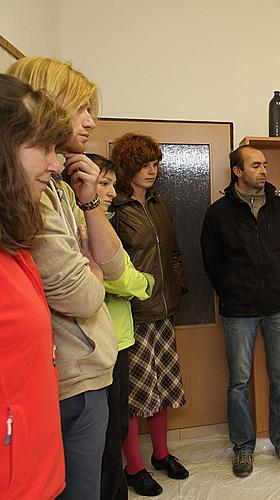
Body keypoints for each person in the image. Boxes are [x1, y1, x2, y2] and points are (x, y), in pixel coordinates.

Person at [7, 57, 126, 500]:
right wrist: (90, 265)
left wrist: (92, 202)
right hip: (67, 381)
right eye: (81, 108)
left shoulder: (61, 187)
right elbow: (84, 295)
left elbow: (113, 267)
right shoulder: (29, 194)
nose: (91, 122)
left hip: (88, 369)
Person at [200, 145, 280, 478]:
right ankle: (243, 448)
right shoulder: (218, 213)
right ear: (237, 171)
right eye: (255, 165)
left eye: (265, 164)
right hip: (239, 308)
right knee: (239, 382)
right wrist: (231, 290)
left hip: (279, 304)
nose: (263, 170)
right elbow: (211, 262)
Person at [0, 72, 71, 499]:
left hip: (38, 474)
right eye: (42, 148)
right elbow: (82, 290)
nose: (56, 163)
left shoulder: (16, 244)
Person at [110, 133, 188, 496]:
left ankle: (161, 454)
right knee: (133, 395)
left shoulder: (159, 204)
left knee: (163, 389)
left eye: (155, 164)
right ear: (128, 167)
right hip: (134, 315)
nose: (152, 171)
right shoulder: (114, 209)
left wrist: (175, 286)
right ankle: (133, 466)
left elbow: (173, 253)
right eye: (144, 165)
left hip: (164, 311)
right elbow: (113, 267)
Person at [87, 153, 154, 500]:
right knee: (105, 439)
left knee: (114, 430)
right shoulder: (87, 225)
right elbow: (120, 278)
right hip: (99, 342)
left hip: (119, 337)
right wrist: (143, 283)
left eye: (113, 184)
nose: (112, 192)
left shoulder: (104, 221)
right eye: (104, 183)